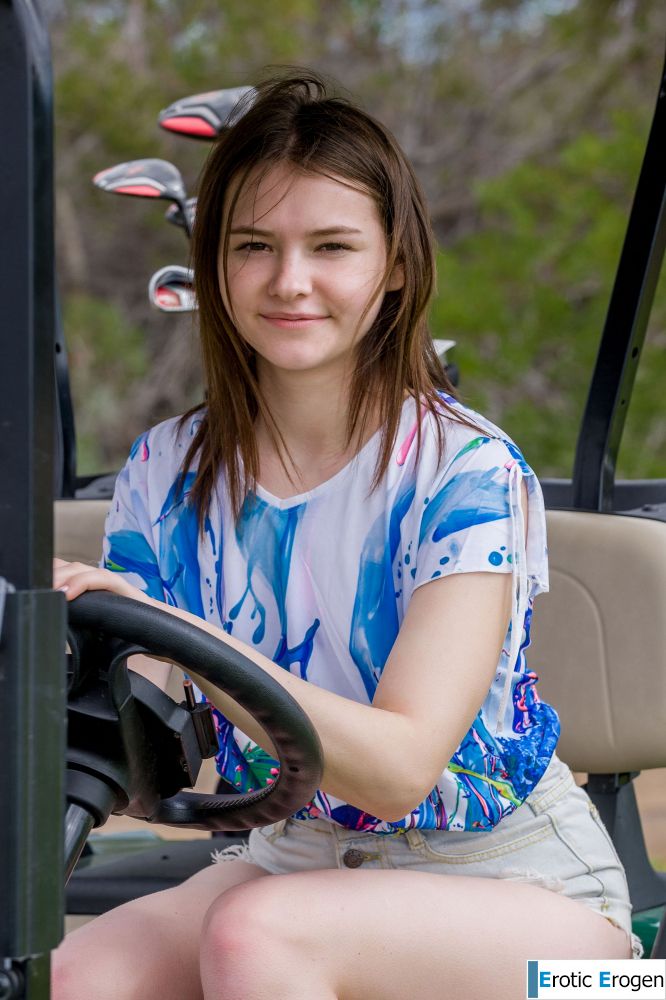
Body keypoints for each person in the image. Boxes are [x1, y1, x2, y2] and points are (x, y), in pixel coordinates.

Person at [53, 73, 638, 1000]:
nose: (291, 281)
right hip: (298, 858)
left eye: (332, 246)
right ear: (216, 264)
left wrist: (184, 639)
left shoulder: (464, 472)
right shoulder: (167, 471)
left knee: (258, 940)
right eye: (255, 246)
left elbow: (402, 772)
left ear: (394, 265)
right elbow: (146, 718)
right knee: (80, 974)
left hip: (540, 905)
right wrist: (70, 638)